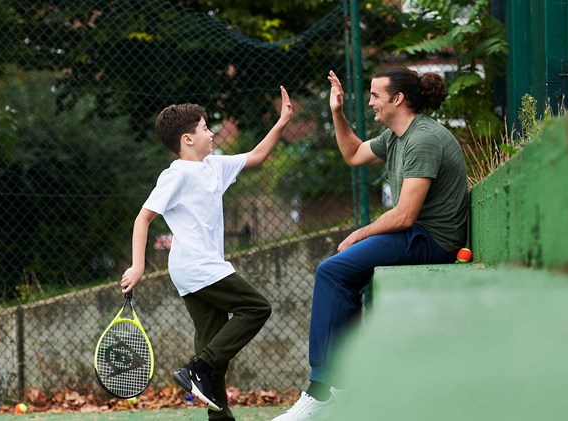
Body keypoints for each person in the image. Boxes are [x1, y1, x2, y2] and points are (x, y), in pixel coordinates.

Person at [273, 67, 469, 420]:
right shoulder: (396, 136)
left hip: (431, 238)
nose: (370, 103)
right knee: (341, 276)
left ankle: (322, 392)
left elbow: (405, 215)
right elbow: (353, 154)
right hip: (415, 233)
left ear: (398, 99)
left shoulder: (423, 139)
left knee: (332, 272)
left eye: (376, 96)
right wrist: (337, 111)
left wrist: (358, 233)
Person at [120, 86, 293, 421]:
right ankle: (196, 368)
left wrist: (283, 121)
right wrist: (138, 265)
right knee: (256, 308)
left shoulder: (214, 166)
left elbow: (256, 156)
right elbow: (143, 218)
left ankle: (216, 408)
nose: (211, 133)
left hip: (202, 269)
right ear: (187, 139)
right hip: (196, 267)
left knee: (214, 348)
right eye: (204, 128)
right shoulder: (176, 175)